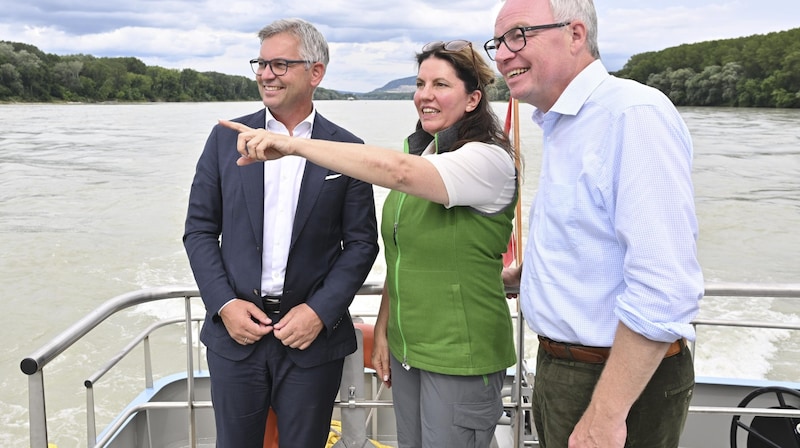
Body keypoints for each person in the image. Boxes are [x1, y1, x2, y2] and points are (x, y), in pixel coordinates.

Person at [222, 39, 518, 448]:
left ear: (473, 100)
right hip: (409, 351)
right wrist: (383, 331)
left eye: (441, 85)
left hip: (460, 355)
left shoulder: (487, 160)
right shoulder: (427, 154)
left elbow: (394, 171)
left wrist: (291, 144)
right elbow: (402, 254)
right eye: (419, 83)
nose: (425, 96)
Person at [485, 1, 704, 447]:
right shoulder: (564, 123)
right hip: (562, 366)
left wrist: (605, 416)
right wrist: (530, 278)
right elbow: (596, 237)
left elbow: (665, 286)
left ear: (576, 34)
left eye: (519, 35)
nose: (504, 54)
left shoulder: (630, 115)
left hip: (610, 378)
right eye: (498, 43)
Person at [183, 18, 379, 448]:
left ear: (316, 73)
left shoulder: (347, 149)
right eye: (261, 63)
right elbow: (198, 230)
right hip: (236, 334)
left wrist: (318, 311)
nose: (265, 74)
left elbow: (362, 243)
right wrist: (225, 304)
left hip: (311, 339)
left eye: (279, 64)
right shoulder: (222, 140)